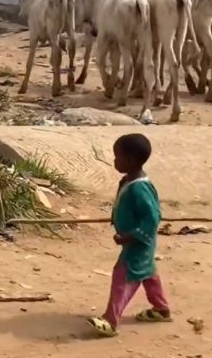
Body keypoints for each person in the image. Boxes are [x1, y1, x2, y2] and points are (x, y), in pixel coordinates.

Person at [87, 133, 171, 337]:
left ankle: (110, 320)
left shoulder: (139, 188)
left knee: (123, 276)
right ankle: (161, 309)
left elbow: (152, 218)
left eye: (117, 157)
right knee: (147, 272)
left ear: (131, 160)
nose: (114, 160)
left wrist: (130, 236)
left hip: (138, 242)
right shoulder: (129, 180)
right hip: (137, 241)